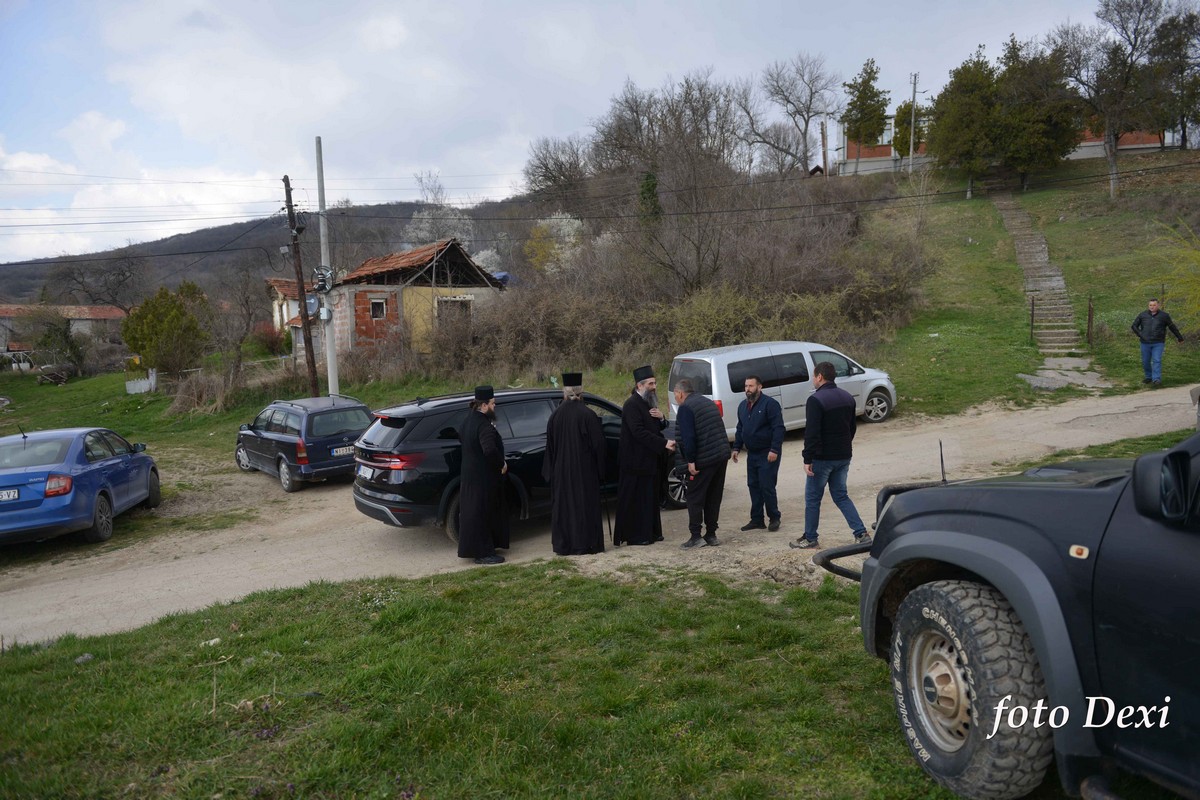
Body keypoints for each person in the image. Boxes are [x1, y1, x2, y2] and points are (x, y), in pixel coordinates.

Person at [791, 362, 870, 550]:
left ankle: (811, 538)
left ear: (819, 376)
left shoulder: (815, 400)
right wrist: (843, 446)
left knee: (813, 499)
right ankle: (861, 533)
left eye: (814, 376)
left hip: (822, 458)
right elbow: (851, 428)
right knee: (841, 496)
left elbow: (812, 433)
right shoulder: (847, 397)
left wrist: (807, 458)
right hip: (843, 455)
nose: (813, 379)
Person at [542, 372, 606, 556]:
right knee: (583, 507)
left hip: (561, 472)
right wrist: (601, 470)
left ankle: (564, 546)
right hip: (584, 472)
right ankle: (586, 544)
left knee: (564, 509)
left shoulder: (555, 416)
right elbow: (599, 446)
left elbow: (550, 447)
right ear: (581, 392)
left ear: (564, 393)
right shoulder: (588, 414)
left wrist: (551, 472)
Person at [614, 365, 676, 546]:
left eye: (655, 383)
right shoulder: (631, 405)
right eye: (650, 384)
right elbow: (638, 432)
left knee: (650, 498)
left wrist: (662, 418)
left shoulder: (648, 401)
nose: (654, 387)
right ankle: (637, 536)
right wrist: (663, 443)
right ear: (639, 385)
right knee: (638, 500)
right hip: (635, 462)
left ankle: (652, 533)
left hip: (649, 460)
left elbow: (656, 426)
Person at [673, 378, 731, 549]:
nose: (676, 399)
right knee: (713, 496)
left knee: (694, 497)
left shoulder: (686, 408)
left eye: (675, 395)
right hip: (720, 456)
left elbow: (689, 437)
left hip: (703, 460)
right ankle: (711, 534)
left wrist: (691, 461)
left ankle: (696, 536)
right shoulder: (707, 402)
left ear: (680, 393)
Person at [457, 385, 510, 565]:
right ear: (484, 405)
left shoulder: (467, 421)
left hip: (469, 476)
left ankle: (482, 549)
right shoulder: (484, 425)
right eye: (493, 403)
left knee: (473, 514)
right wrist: (502, 464)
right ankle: (484, 553)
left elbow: (462, 439)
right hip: (483, 478)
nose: (495, 406)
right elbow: (489, 450)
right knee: (482, 514)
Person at [731, 375, 785, 532]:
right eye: (746, 386)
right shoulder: (742, 406)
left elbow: (778, 428)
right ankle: (757, 519)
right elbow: (740, 428)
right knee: (753, 485)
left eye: (751, 386)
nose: (748, 389)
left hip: (767, 453)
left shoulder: (770, 404)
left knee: (767, 486)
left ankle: (774, 518)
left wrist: (774, 449)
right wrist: (736, 447)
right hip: (752, 453)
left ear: (759, 387)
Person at [1131, 298, 1184, 387]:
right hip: (1145, 343)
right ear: (1148, 306)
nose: (1152, 307)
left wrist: (1179, 337)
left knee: (1157, 360)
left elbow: (1172, 327)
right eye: (1150, 305)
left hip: (1158, 342)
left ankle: (1156, 379)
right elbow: (1134, 326)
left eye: (1154, 305)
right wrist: (1140, 334)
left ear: (1158, 305)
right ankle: (1148, 377)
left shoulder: (1164, 316)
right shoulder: (1142, 315)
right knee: (1145, 361)